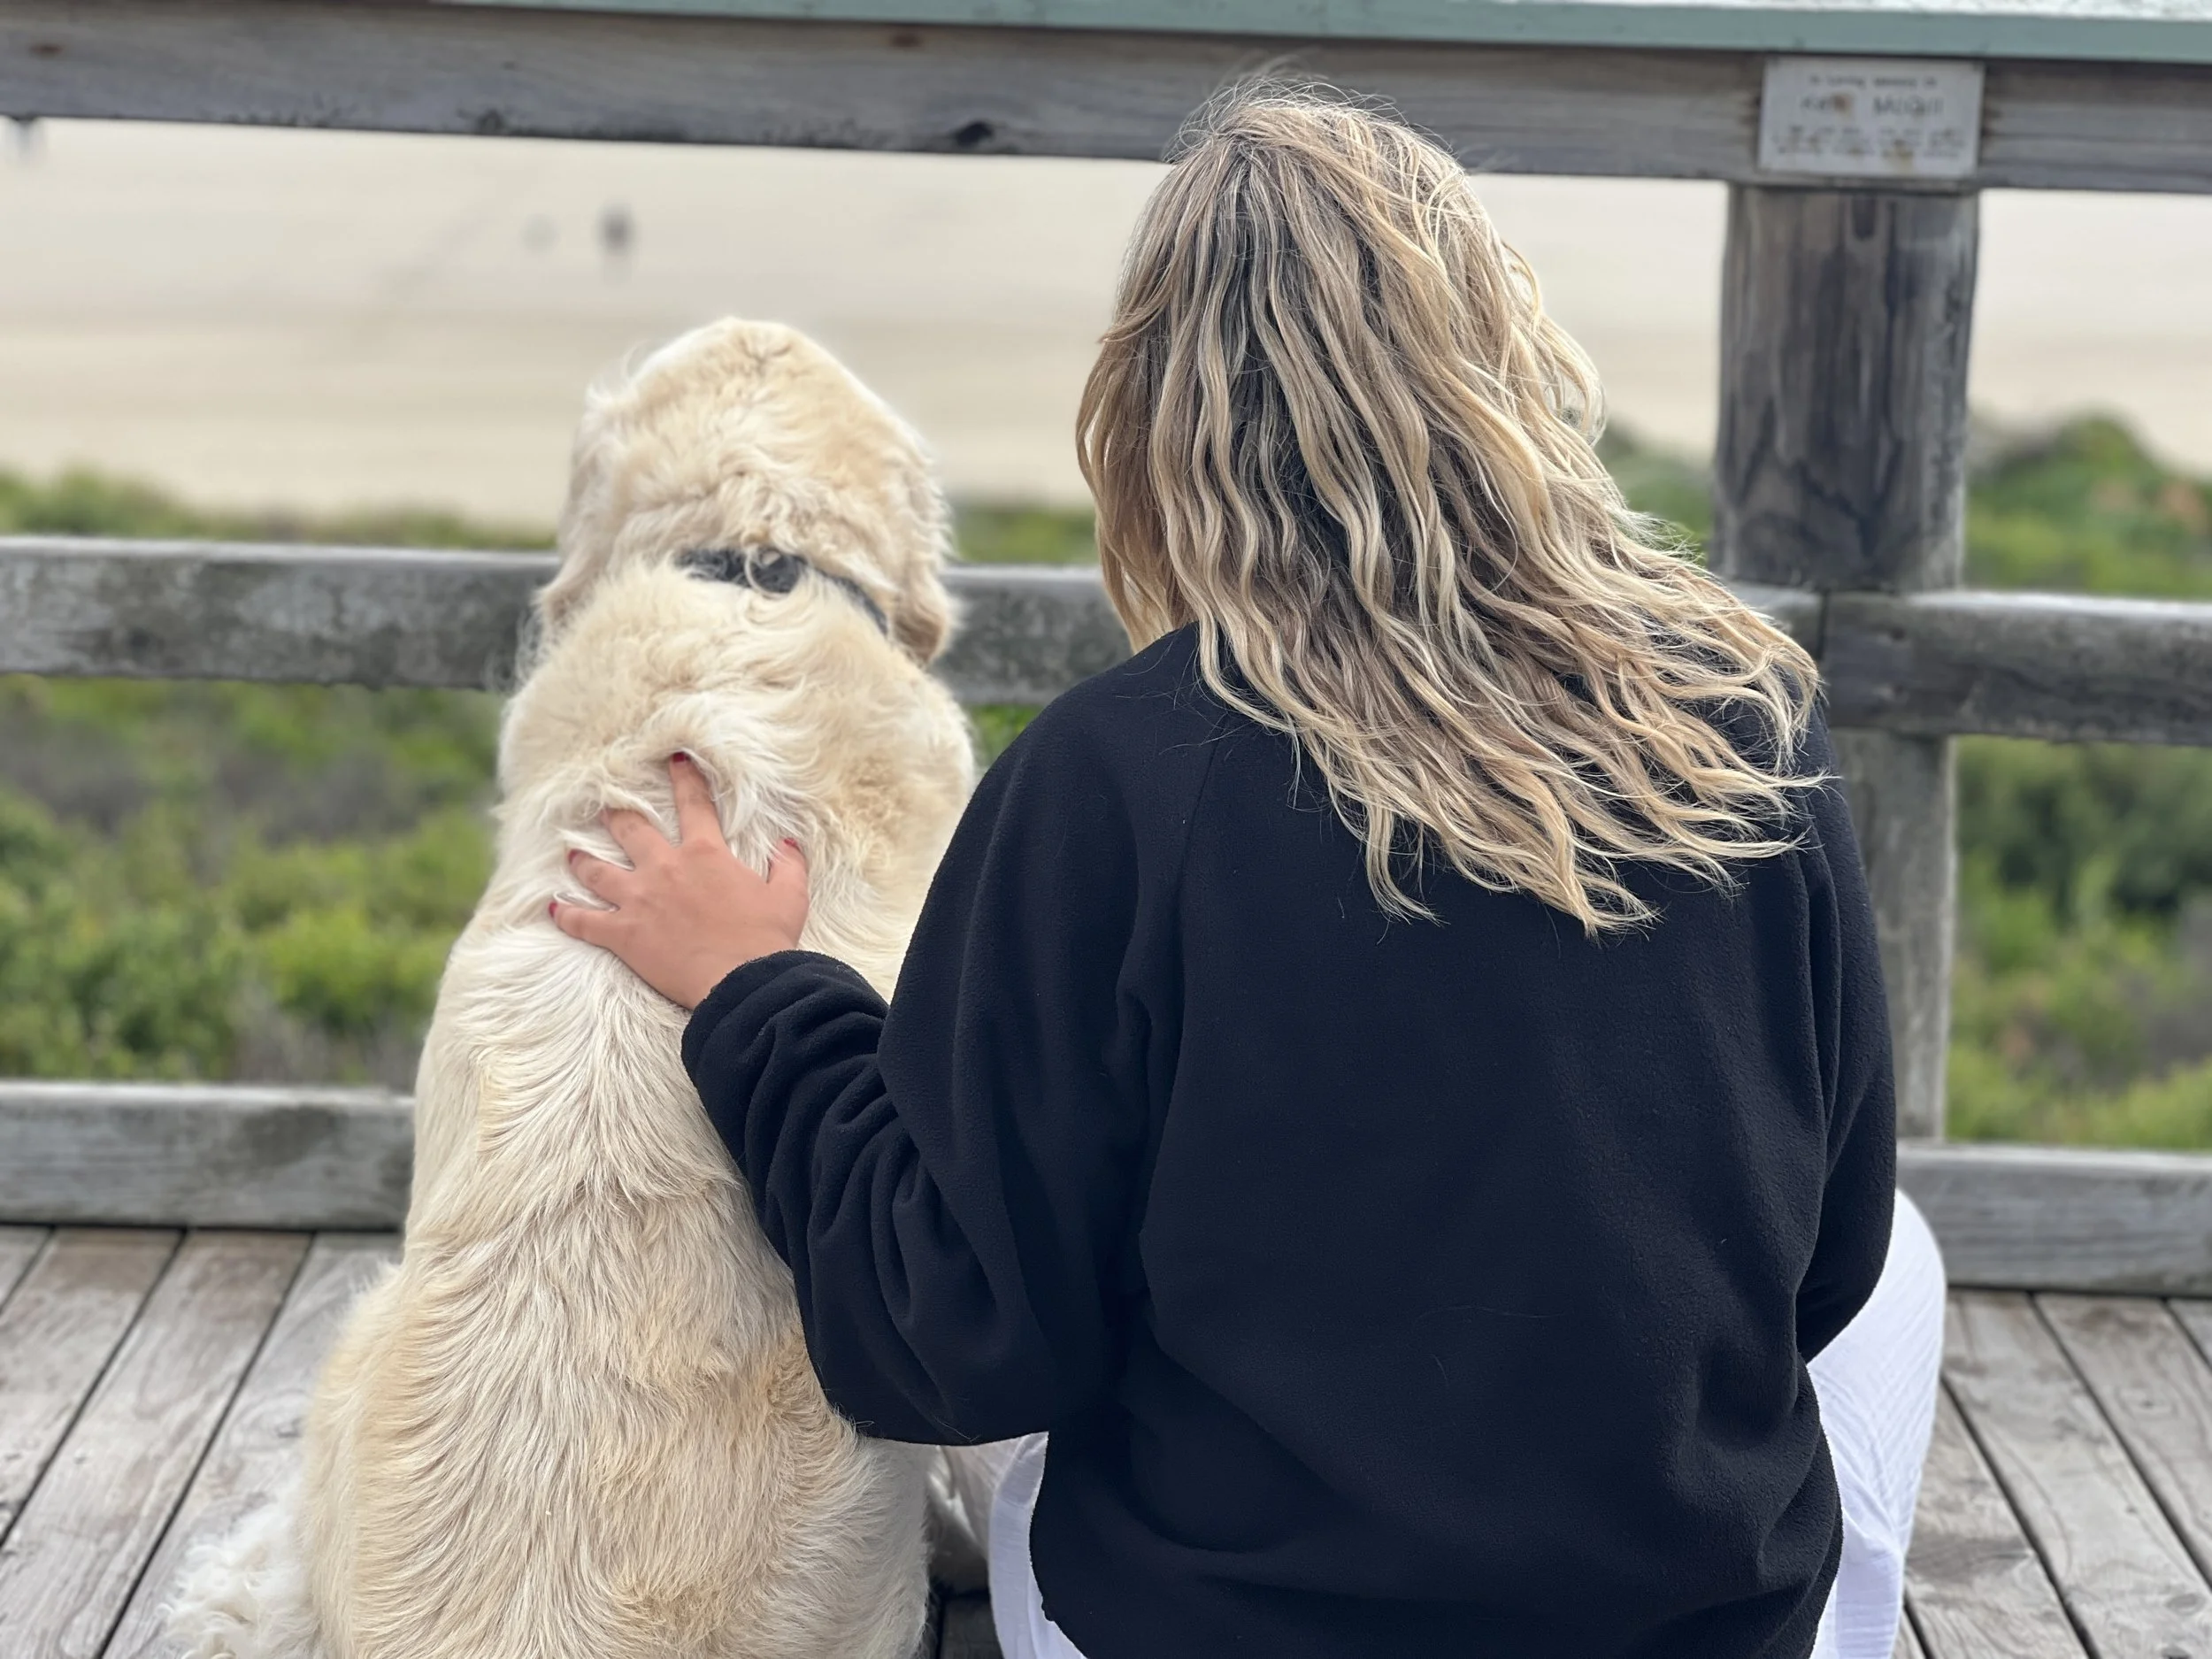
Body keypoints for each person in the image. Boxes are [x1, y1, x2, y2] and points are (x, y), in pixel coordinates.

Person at [549, 88, 1945, 1659]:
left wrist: (759, 995)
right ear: (1504, 356)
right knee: (1909, 1253)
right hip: (1690, 1630)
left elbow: (952, 1338)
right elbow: (1824, 1260)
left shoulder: (1117, 775)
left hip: (1214, 1628)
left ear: (1159, 413)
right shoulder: (1742, 719)